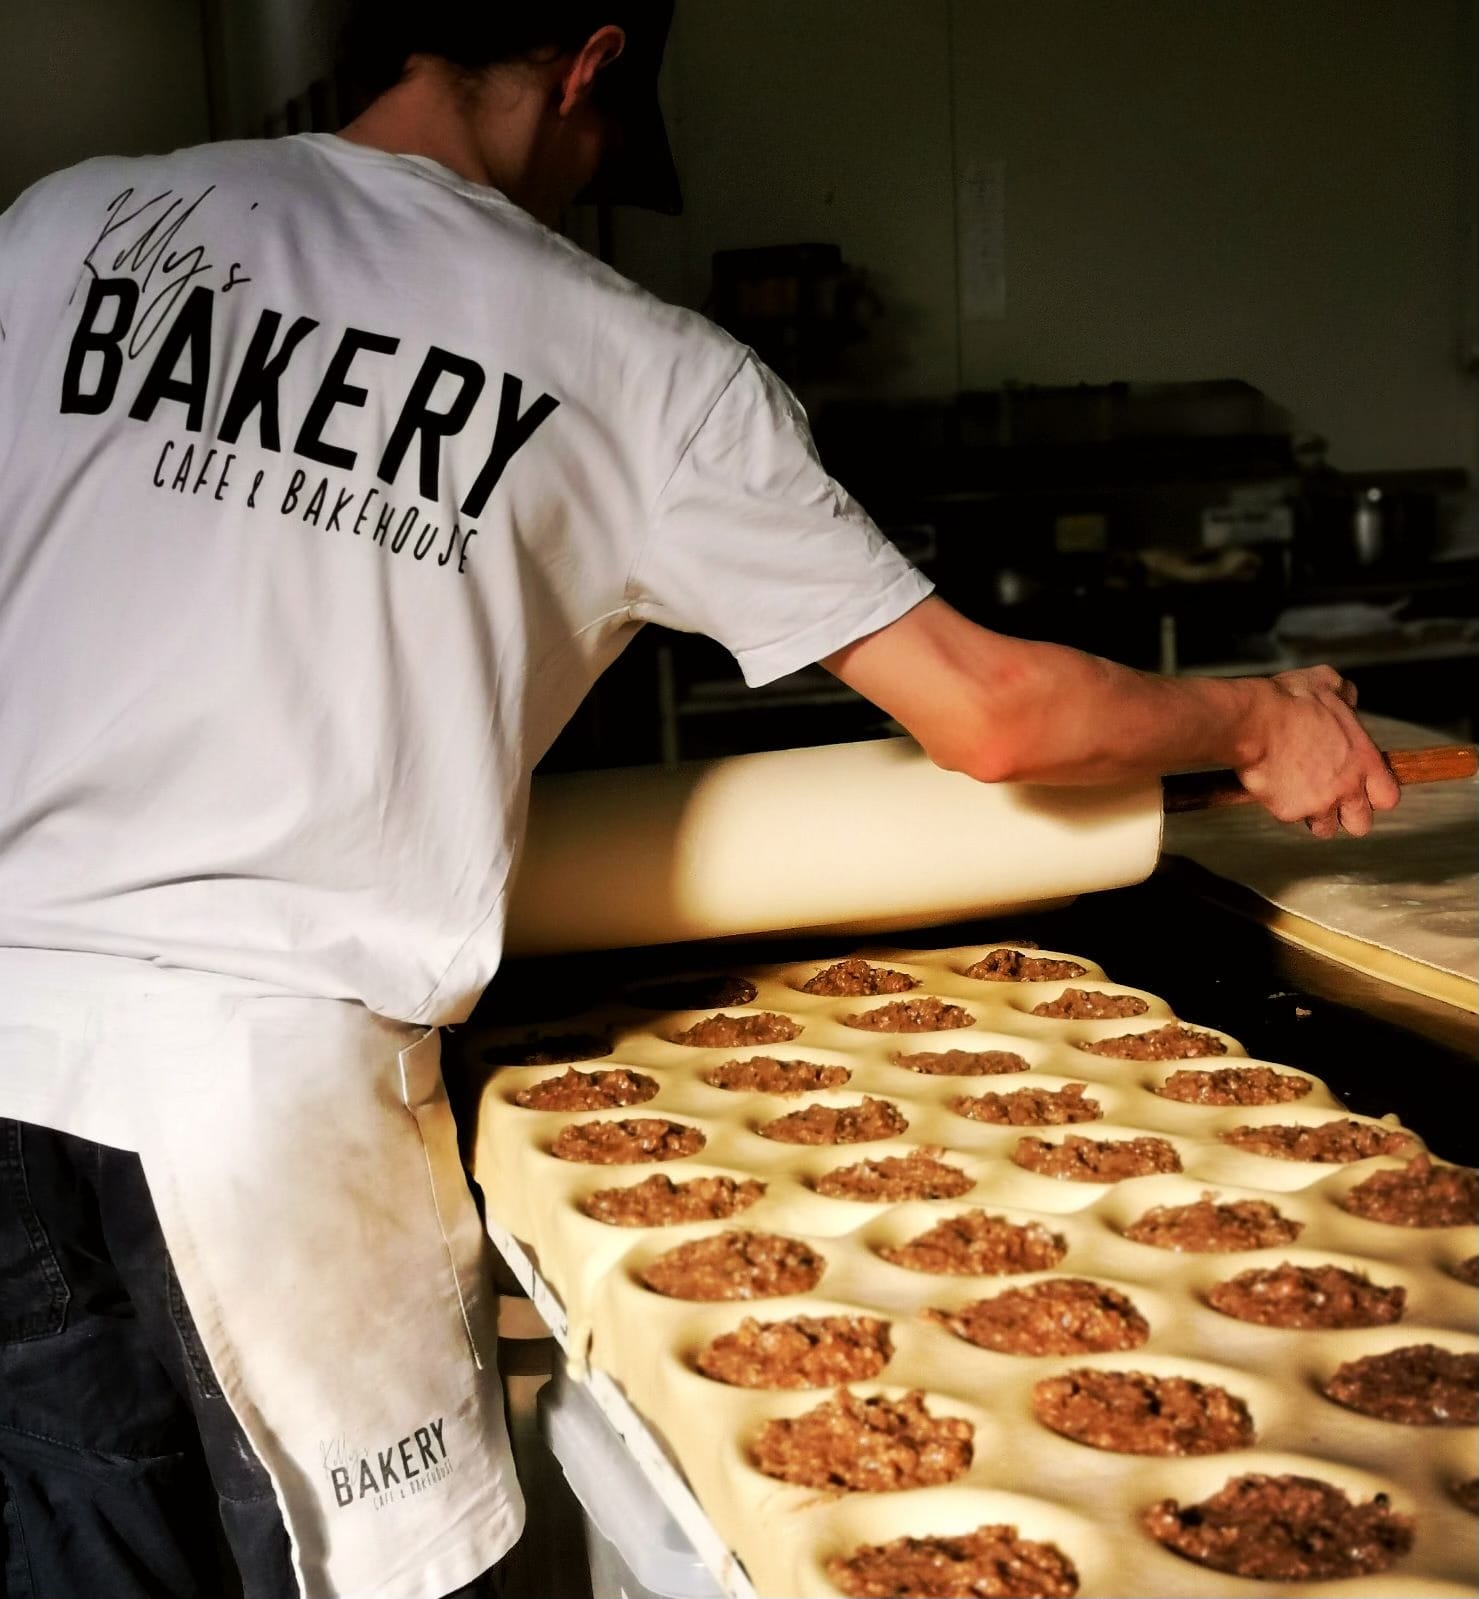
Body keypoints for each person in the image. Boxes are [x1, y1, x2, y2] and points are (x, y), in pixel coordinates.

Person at [0, 4, 1400, 1597]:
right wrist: (1253, 717)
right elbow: (996, 717)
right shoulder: (629, 360)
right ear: (593, 68)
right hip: (263, 1117)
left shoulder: (69, 229)